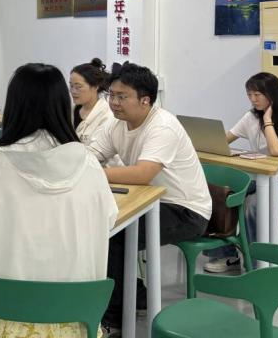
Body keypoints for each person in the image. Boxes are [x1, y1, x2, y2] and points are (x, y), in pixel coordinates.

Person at [0, 63, 118, 338]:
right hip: (76, 320)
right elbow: (107, 223)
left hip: (7, 318)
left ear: (14, 106)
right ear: (62, 105)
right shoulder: (90, 164)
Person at [88, 62, 211, 333]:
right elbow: (91, 155)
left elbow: (143, 173)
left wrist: (95, 172)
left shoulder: (163, 126)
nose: (114, 103)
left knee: (116, 236)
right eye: (111, 95)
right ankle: (136, 294)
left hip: (185, 210)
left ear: (145, 100)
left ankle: (113, 321)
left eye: (122, 97)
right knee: (100, 226)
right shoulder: (116, 124)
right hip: (150, 201)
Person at [204, 72, 278, 273]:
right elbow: (224, 140)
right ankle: (226, 255)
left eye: (257, 95)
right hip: (260, 178)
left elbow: (276, 150)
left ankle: (257, 263)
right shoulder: (250, 117)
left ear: (272, 95)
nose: (252, 99)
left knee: (253, 203)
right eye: (249, 94)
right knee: (222, 195)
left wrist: (267, 120)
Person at [70, 58, 114, 143]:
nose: (73, 91)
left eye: (78, 87)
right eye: (71, 86)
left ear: (95, 86)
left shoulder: (107, 115)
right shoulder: (71, 111)